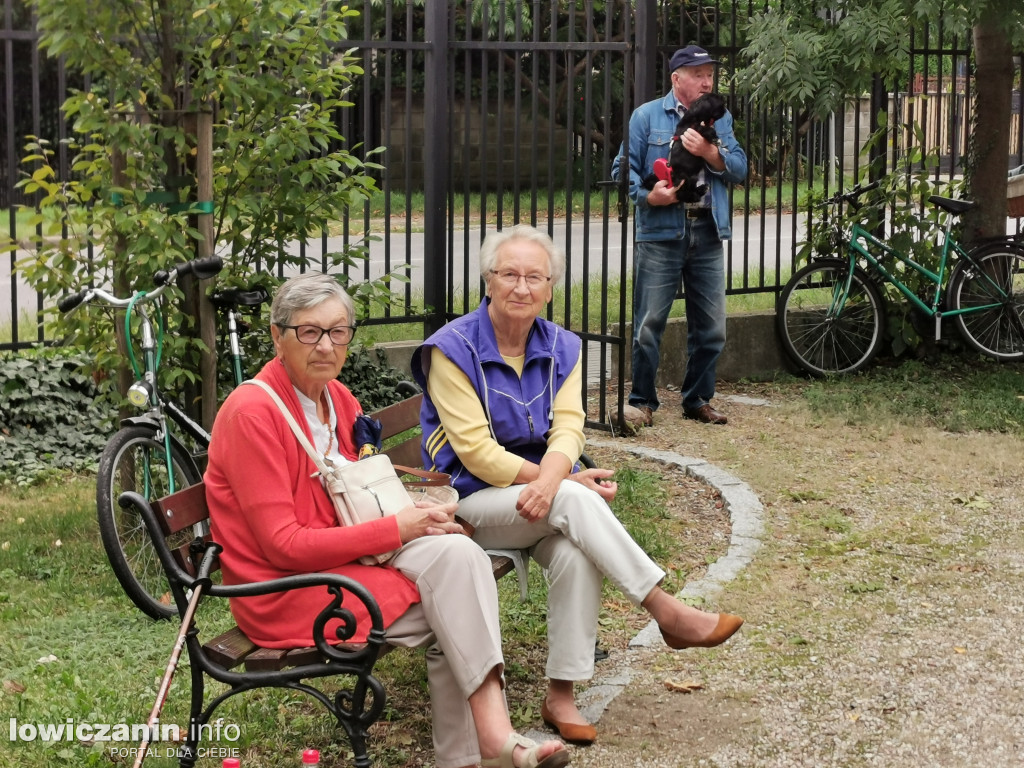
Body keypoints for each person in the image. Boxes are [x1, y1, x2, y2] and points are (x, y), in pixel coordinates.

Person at [205, 273, 570, 768]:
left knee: (461, 556)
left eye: (338, 332)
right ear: (277, 335)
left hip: (343, 562)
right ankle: (484, 748)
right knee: (457, 604)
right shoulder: (251, 414)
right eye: (309, 332)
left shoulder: (337, 399)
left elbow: (361, 497)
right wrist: (399, 529)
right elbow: (283, 546)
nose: (326, 345)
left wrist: (420, 512)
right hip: (286, 590)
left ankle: (488, 742)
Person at [411, 225, 743, 745]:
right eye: (508, 275)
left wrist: (555, 479)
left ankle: (560, 694)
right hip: (466, 502)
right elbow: (476, 452)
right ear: (487, 280)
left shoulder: (562, 345)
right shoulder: (451, 349)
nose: (521, 287)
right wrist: (558, 481)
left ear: (550, 287)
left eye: (534, 277)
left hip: (533, 499)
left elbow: (569, 426)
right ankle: (666, 610)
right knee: (572, 499)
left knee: (573, 547)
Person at [612, 45, 748, 426]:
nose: (708, 81)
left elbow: (739, 168)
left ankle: (697, 399)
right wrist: (648, 196)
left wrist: (711, 152)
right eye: (699, 74)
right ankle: (641, 403)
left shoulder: (720, 119)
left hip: (707, 229)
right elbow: (622, 170)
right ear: (677, 79)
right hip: (660, 232)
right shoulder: (646, 117)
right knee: (648, 324)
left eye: (710, 74)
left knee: (712, 327)